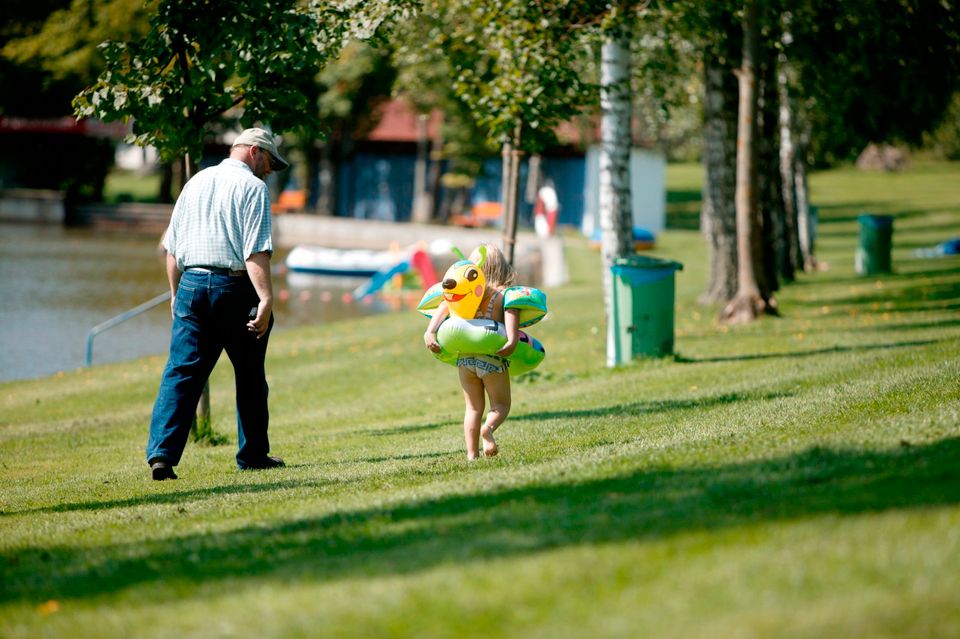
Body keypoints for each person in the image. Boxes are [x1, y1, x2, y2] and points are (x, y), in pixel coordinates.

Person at [146, 127, 289, 480]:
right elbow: (255, 251)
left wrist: (176, 292)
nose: (270, 169)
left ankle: (162, 455)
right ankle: (253, 455)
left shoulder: (195, 182)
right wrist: (267, 299)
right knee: (250, 374)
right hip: (234, 287)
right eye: (270, 160)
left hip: (191, 284)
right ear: (255, 151)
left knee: (181, 371)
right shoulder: (254, 188)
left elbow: (172, 247)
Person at [423, 244, 519, 460]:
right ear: (501, 268)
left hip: (465, 361)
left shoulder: (461, 294)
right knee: (501, 404)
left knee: (473, 408)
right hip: (491, 357)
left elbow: (445, 306)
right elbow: (512, 311)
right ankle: (489, 430)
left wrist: (430, 332)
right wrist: (512, 340)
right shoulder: (503, 294)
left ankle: (471, 455)